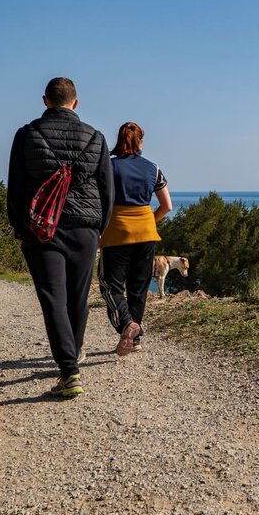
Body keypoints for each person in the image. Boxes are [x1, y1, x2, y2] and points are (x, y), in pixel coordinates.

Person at [7, 77, 113, 398]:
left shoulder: (27, 135)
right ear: (76, 103)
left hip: (42, 229)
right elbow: (107, 191)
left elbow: (16, 187)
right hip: (86, 228)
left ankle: (69, 371)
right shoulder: (96, 137)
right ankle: (74, 356)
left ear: (45, 100)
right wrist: (99, 229)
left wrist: (20, 229)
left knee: (54, 298)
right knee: (77, 297)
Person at [98, 122, 172, 356]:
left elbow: (98, 201)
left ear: (119, 140)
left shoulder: (108, 167)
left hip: (116, 233)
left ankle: (126, 325)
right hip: (146, 234)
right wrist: (148, 221)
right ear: (140, 142)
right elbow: (167, 206)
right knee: (138, 289)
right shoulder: (153, 168)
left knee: (110, 286)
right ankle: (136, 339)